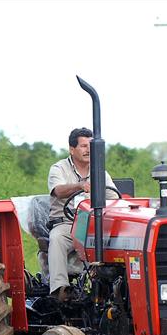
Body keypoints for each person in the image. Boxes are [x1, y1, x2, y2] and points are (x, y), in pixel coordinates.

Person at [46, 128, 119, 302]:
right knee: (57, 239)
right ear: (72, 149)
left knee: (117, 239)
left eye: (91, 146)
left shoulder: (101, 172)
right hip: (67, 223)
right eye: (83, 146)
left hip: (93, 225)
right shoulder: (59, 169)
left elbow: (115, 198)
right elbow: (58, 191)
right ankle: (60, 289)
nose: (88, 150)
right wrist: (79, 185)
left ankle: (112, 288)